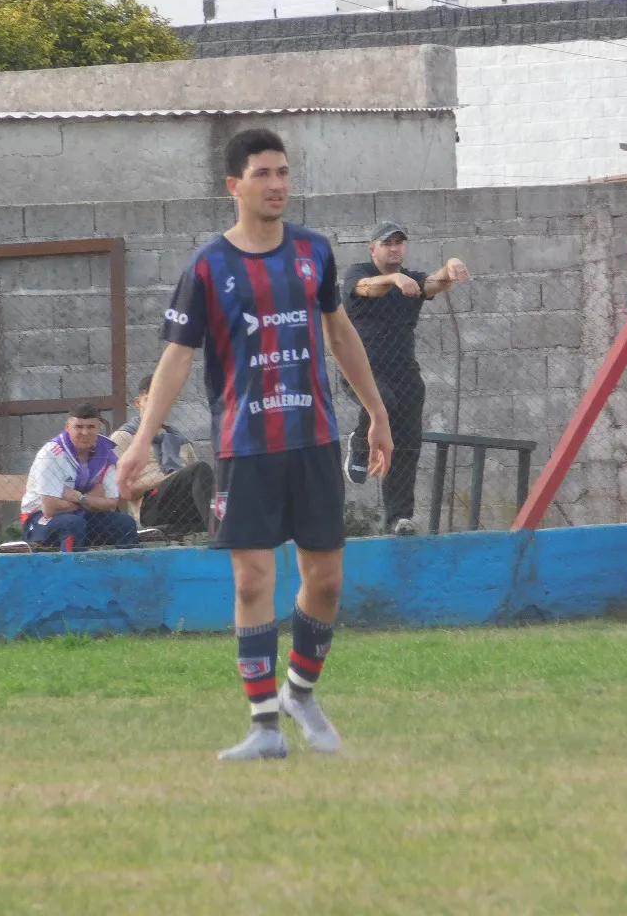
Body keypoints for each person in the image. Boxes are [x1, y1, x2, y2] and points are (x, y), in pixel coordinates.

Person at [117, 128, 393, 762]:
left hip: (315, 438)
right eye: (263, 173)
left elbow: (341, 336)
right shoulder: (209, 267)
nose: (277, 184)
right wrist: (140, 444)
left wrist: (376, 411)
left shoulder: (313, 253)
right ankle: (264, 727)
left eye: (284, 172)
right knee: (252, 582)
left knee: (325, 581)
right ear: (233, 185)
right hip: (246, 445)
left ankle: (301, 691)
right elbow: (176, 360)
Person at [342, 221, 470, 535]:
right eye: (387, 243)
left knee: (407, 446)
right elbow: (368, 288)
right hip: (361, 372)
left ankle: (399, 518)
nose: (395, 247)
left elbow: (433, 283)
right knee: (380, 401)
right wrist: (394, 279)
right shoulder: (358, 274)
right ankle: (359, 445)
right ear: (373, 249)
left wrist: (449, 268)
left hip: (405, 375)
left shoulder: (411, 280)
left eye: (400, 242)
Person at [20, 403, 140, 551]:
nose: (85, 432)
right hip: (37, 518)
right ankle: (75, 572)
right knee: (73, 524)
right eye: (79, 427)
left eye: (90, 427)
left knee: (125, 524)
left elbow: (111, 504)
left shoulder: (106, 452)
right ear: (68, 427)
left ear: (98, 427)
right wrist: (92, 499)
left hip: (81, 515)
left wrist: (78, 497)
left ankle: (127, 573)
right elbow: (50, 508)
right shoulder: (51, 454)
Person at [110, 373, 215, 534]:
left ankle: (226, 531)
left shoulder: (180, 440)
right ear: (139, 402)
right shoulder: (125, 437)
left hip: (183, 505)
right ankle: (218, 535)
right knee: (200, 468)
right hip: (151, 505)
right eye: (150, 400)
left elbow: (197, 483)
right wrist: (165, 479)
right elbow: (124, 492)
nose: (157, 405)